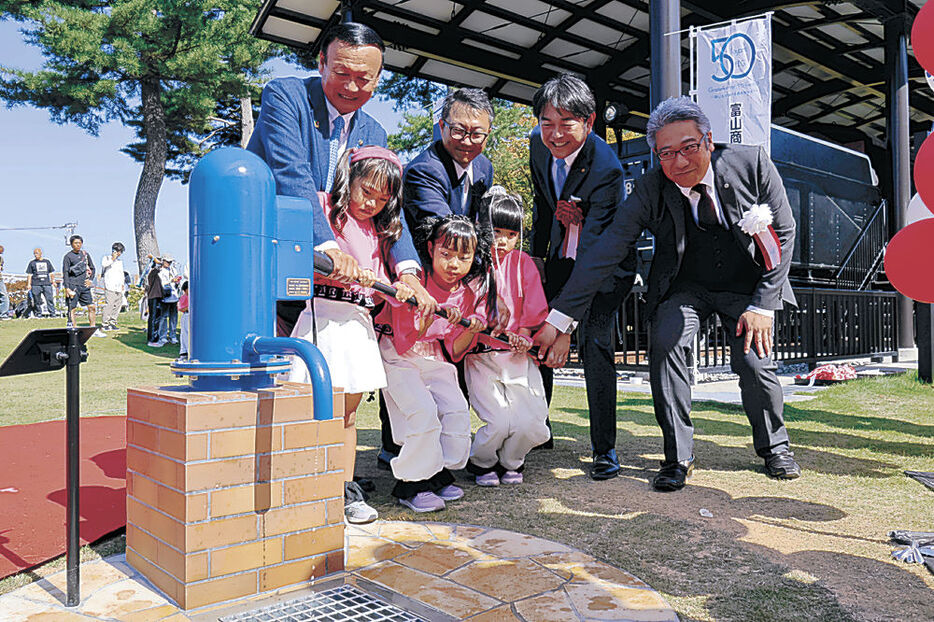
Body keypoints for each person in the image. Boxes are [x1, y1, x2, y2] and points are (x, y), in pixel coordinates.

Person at [534, 96, 801, 491]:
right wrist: (559, 318)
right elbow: (607, 250)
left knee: (753, 360)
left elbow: (784, 231)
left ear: (708, 140)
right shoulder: (650, 188)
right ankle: (678, 457)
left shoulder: (752, 163)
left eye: (689, 148)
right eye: (666, 153)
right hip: (683, 285)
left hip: (744, 285)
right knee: (665, 342)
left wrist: (763, 304)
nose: (679, 162)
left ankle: (774, 446)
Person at [246, 20, 432, 338]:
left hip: (336, 281)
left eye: (364, 79)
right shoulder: (285, 96)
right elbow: (292, 175)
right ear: (322, 63)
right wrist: (328, 247)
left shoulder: (374, 132)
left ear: (378, 80)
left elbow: (388, 205)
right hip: (271, 255)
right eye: (342, 73)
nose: (351, 87)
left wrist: (409, 271)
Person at [287, 145, 416, 524]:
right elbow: (301, 255)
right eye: (366, 191)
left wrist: (397, 285)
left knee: (348, 415)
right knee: (314, 410)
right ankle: (305, 487)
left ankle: (344, 489)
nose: (371, 203)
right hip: (321, 317)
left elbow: (382, 279)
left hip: (358, 322)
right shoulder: (326, 210)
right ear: (350, 180)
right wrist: (332, 264)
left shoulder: (381, 230)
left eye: (381, 198)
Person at [528, 74, 636, 478]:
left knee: (594, 343)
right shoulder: (537, 147)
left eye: (566, 123)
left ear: (589, 122)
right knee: (538, 336)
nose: (555, 135)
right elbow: (543, 206)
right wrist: (536, 263)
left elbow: (595, 251)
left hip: (603, 266)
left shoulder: (606, 167)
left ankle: (604, 448)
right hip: (560, 256)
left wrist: (567, 322)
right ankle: (538, 428)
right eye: (546, 122)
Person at [375, 215, 491, 513]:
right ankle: (410, 484)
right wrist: (425, 320)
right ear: (429, 248)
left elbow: (454, 350)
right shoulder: (416, 281)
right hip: (398, 355)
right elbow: (403, 339)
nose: (454, 264)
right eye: (446, 254)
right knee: (422, 412)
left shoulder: (465, 293)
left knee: (455, 409)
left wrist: (469, 329)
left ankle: (437, 471)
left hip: (433, 357)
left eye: (463, 257)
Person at [464, 188, 551, 487]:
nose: (502, 240)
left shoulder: (524, 263)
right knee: (498, 421)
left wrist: (525, 334)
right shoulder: (473, 263)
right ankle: (482, 461)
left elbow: (536, 306)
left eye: (511, 234)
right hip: (482, 356)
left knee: (533, 423)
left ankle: (512, 460)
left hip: (517, 356)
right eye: (496, 231)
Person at [402, 88, 495, 223]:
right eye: (458, 130)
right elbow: (445, 232)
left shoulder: (484, 166)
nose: (467, 141)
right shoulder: (422, 171)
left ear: (488, 133)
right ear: (441, 126)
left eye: (477, 134)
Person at [62, 235, 104, 335]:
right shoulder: (68, 256)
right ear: (71, 244)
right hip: (73, 285)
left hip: (84, 285)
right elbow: (66, 272)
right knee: (72, 308)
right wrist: (67, 288)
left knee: (92, 307)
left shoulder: (85, 254)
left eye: (80, 243)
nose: (78, 245)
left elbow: (93, 268)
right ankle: (74, 330)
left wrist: (90, 280)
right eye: (76, 243)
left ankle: (93, 329)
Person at [100, 242, 126, 330]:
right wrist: (112, 259)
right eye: (118, 251)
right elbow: (104, 265)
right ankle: (105, 323)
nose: (119, 253)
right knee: (109, 304)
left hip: (119, 287)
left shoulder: (120, 262)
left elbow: (121, 274)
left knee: (118, 304)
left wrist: (122, 284)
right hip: (110, 285)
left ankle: (113, 321)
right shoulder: (106, 258)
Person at [25, 247, 56, 317]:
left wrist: (53, 281)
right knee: (37, 300)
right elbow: (29, 274)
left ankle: (52, 313)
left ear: (41, 253)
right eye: (34, 253)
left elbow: (51, 273)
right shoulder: (32, 263)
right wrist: (29, 284)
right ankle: (38, 313)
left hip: (47, 284)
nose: (36, 255)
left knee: (49, 299)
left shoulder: (47, 262)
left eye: (37, 253)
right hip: (36, 284)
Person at [159, 255, 180, 344]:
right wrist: (171, 280)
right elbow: (161, 283)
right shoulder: (159, 271)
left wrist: (177, 281)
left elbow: (177, 281)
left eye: (170, 262)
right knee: (163, 317)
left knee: (174, 317)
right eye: (167, 261)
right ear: (163, 261)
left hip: (174, 296)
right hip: (165, 297)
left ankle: (173, 335)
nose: (169, 263)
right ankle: (163, 336)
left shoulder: (173, 270)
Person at [145, 256, 164, 347]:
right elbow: (158, 267)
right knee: (154, 319)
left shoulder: (156, 274)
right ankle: (152, 339)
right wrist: (156, 261)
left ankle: (154, 338)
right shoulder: (152, 273)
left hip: (157, 297)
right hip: (154, 297)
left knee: (156, 319)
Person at [177, 280, 190, 360]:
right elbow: (181, 308)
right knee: (185, 333)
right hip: (186, 315)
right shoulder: (184, 297)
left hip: (192, 316)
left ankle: (186, 351)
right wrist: (189, 307)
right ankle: (185, 351)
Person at [0, 244, 8, 319]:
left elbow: (1, 268)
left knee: (4, 296)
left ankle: (3, 315)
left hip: (0, 279)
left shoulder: (1, 259)